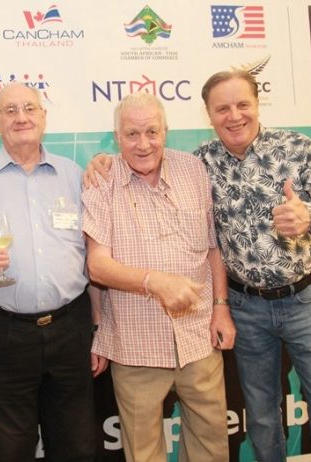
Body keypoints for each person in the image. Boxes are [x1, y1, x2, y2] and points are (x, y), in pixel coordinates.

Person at [86, 70, 311, 461]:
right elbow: (100, 263)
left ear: (257, 105)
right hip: (232, 310)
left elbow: (214, 246)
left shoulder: (293, 148)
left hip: (301, 302)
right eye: (222, 108)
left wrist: (310, 216)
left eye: (242, 105)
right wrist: (101, 161)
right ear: (209, 115)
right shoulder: (198, 163)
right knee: (261, 415)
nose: (234, 116)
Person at [0, 83, 98, 462]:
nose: (21, 117)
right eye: (10, 111)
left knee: (76, 445)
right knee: (10, 448)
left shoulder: (74, 175)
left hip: (70, 327)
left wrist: (98, 324)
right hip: (1, 332)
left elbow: (95, 254)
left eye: (29, 108)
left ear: (44, 116)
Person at [82, 92, 236, 462]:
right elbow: (97, 266)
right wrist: (154, 282)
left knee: (212, 447)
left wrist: (221, 307)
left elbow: (212, 247)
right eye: (132, 134)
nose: (143, 144)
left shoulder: (193, 169)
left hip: (198, 337)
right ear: (117, 137)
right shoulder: (101, 180)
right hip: (136, 343)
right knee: (144, 452)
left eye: (152, 132)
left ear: (166, 130)